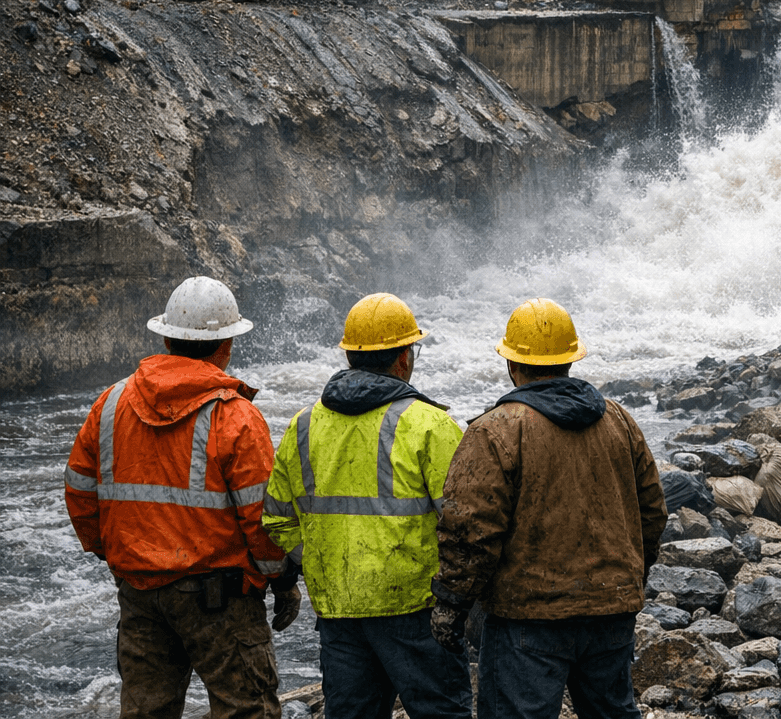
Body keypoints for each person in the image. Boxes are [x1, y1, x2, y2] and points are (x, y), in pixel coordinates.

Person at [65, 276, 297, 719]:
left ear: (168, 337)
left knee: (145, 711)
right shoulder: (236, 417)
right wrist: (282, 580)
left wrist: (113, 551)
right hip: (220, 600)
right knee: (245, 710)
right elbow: (263, 518)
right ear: (225, 345)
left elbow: (78, 489)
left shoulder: (110, 404)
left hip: (139, 590)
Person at [432, 298, 666, 719]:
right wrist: (628, 575)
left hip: (528, 616)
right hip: (611, 611)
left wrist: (452, 602)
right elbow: (652, 511)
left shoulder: (495, 429)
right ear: (569, 361)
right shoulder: (619, 420)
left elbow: (471, 531)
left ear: (512, 366)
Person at [263, 293, 471, 719]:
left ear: (349, 356)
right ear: (404, 359)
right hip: (416, 610)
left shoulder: (303, 425)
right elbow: (465, 522)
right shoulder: (430, 425)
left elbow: (277, 519)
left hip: (340, 611)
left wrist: (320, 561)